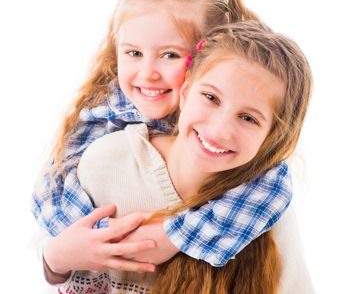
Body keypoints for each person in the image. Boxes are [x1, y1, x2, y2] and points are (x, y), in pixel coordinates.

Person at [32, 0, 292, 273]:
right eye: (133, 53)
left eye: (169, 55)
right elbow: (56, 180)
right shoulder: (112, 106)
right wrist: (82, 243)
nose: (147, 73)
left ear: (207, 58)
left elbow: (274, 183)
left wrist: (175, 236)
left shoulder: (228, 138)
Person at [42, 21, 313, 294]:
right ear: (185, 92)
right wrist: (55, 260)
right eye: (211, 98)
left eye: (248, 118)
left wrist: (176, 236)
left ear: (272, 135)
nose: (219, 130)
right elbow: (62, 260)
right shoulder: (108, 163)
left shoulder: (262, 208)